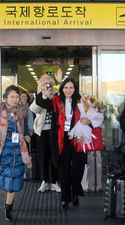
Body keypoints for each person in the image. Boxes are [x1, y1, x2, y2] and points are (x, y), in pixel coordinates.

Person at [36, 77, 87, 209]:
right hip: (60, 139)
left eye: (71, 87)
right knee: (63, 170)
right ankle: (65, 198)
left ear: (75, 89)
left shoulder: (81, 101)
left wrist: (89, 122)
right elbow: (40, 102)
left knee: (78, 169)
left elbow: (90, 117)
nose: (68, 90)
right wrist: (43, 91)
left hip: (77, 138)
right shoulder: (56, 101)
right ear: (62, 89)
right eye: (66, 87)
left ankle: (75, 193)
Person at [0, 85, 32, 222]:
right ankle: (8, 201)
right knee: (6, 180)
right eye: (12, 96)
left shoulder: (21, 111)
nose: (15, 99)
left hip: (18, 150)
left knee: (13, 181)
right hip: (3, 150)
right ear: (5, 97)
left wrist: (27, 134)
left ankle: (8, 207)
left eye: (17, 97)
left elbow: (25, 128)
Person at [30, 73, 61, 193]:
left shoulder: (57, 94)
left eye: (49, 79)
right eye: (43, 80)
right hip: (41, 131)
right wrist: (42, 95)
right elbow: (34, 109)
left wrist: (56, 87)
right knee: (43, 157)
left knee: (54, 156)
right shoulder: (39, 96)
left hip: (55, 131)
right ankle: (44, 181)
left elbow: (56, 107)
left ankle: (54, 181)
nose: (46, 81)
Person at [20, 90, 34, 180]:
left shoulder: (28, 109)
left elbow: (30, 122)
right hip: (17, 134)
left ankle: (25, 173)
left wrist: (29, 132)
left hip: (25, 134)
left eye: (25, 97)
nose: (24, 98)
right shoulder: (16, 107)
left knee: (25, 153)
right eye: (22, 96)